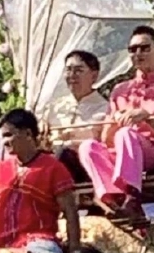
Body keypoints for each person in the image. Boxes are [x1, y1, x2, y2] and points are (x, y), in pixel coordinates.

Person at [77, 25, 154, 218]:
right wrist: (114, 121)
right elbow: (106, 139)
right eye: (133, 49)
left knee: (127, 134)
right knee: (87, 146)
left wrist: (146, 118)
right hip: (121, 151)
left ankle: (132, 197)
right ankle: (112, 199)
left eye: (144, 48)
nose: (138, 53)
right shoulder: (120, 90)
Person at [0, 108, 80, 253]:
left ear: (28, 134)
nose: (5, 142)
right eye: (3, 137)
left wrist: (75, 250)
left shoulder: (53, 168)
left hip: (38, 243)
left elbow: (70, 212)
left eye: (9, 135)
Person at [38, 50, 108, 182]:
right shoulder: (53, 108)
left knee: (64, 154)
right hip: (51, 163)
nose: (72, 75)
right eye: (68, 70)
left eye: (78, 70)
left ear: (94, 75)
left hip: (84, 168)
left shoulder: (105, 109)